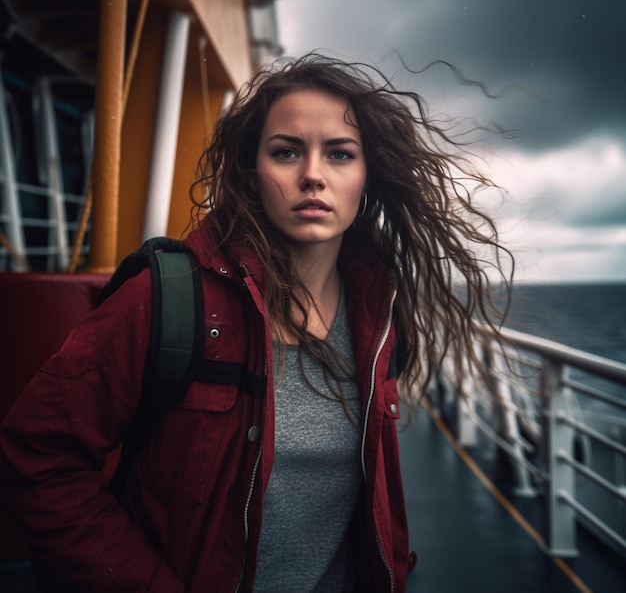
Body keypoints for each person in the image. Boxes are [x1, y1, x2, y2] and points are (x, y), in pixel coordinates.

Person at [0, 52, 512, 592]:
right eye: (287, 152)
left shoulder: (380, 313)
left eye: (340, 154)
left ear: (367, 176)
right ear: (252, 172)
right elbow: (39, 454)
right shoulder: (169, 300)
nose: (312, 175)